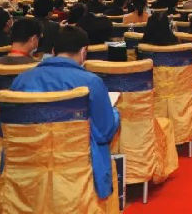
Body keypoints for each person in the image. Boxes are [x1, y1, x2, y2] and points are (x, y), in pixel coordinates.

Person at [10, 26, 120, 200]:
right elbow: (104, 131)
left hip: (28, 167)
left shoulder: (20, 80)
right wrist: (114, 113)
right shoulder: (92, 82)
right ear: (83, 52)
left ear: (53, 51)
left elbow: (6, 130)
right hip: (77, 168)